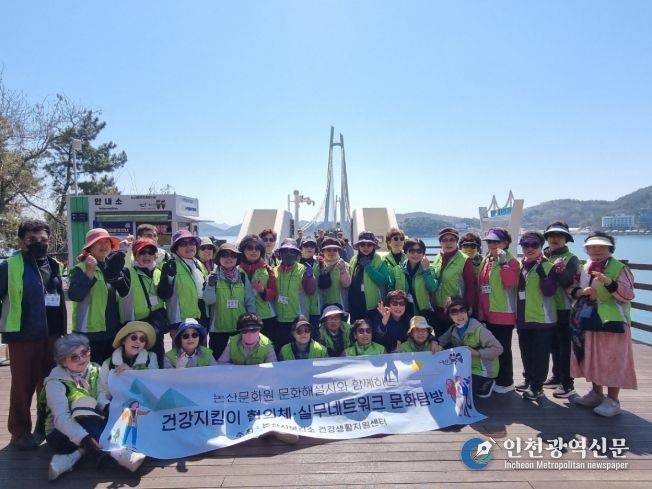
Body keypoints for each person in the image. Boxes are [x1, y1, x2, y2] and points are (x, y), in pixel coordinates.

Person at [0, 219, 67, 450]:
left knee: (49, 383)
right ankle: (19, 431)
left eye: (43, 239)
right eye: (32, 239)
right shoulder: (9, 266)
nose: (38, 243)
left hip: (52, 336)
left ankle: (44, 426)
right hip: (22, 336)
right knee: (22, 385)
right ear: (21, 241)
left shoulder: (54, 264)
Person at [43, 334, 145, 480]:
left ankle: (71, 458)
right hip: (61, 434)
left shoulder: (96, 369)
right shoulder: (55, 382)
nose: (82, 358)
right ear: (63, 362)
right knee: (82, 403)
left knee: (121, 411)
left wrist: (112, 410)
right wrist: (86, 439)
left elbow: (102, 397)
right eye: (74, 357)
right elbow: (61, 419)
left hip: (92, 427)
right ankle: (117, 453)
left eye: (84, 352)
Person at [568, 232, 637, 417]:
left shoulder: (619, 268)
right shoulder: (584, 267)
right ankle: (596, 393)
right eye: (592, 247)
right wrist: (581, 292)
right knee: (592, 356)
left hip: (613, 321)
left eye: (601, 247)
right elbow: (571, 287)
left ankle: (613, 400)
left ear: (610, 248)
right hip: (589, 318)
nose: (596, 250)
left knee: (613, 359)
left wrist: (609, 282)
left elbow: (628, 294)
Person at [68, 228, 124, 364]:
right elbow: (75, 295)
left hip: (111, 331)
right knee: (91, 372)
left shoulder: (112, 267)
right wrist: (89, 273)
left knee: (108, 371)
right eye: (99, 242)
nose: (104, 245)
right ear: (90, 247)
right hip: (89, 334)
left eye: (107, 242)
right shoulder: (81, 268)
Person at [515, 231, 558, 401]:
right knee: (526, 352)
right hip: (523, 318)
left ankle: (537, 387)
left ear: (541, 247)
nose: (530, 248)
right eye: (525, 245)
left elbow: (549, 292)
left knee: (540, 355)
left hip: (542, 319)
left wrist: (543, 275)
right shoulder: (522, 265)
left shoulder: (548, 266)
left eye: (534, 245)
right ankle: (529, 380)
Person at [113, 238, 169, 368]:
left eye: (151, 252)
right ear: (135, 255)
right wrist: (121, 253)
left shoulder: (159, 272)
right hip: (134, 332)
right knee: (135, 366)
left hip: (155, 330)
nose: (147, 255)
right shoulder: (127, 273)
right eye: (142, 252)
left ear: (155, 255)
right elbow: (111, 273)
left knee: (157, 364)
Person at [477, 227, 519, 394]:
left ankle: (506, 381)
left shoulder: (511, 261)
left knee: (502, 349)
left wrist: (503, 263)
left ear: (506, 243)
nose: (493, 245)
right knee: (491, 348)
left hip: (503, 313)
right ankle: (496, 377)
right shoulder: (487, 259)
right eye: (490, 241)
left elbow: (510, 283)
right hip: (488, 313)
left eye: (497, 241)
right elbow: (482, 287)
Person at [542, 221, 580, 398]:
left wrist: (560, 270)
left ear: (566, 239)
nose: (555, 238)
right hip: (546, 308)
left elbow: (568, 283)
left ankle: (567, 384)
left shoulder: (571, 258)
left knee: (565, 347)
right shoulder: (543, 256)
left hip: (564, 308)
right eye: (551, 235)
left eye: (559, 235)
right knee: (552, 345)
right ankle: (557, 376)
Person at [437, 297, 503, 398]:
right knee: (445, 386)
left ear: (468, 311)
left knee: (459, 392)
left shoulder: (479, 330)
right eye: (454, 312)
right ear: (449, 315)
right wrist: (434, 342)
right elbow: (440, 341)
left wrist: (477, 353)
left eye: (462, 310)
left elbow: (498, 349)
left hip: (482, 370)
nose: (459, 315)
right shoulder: (453, 328)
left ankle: (487, 381)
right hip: (464, 368)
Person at [203, 243, 257, 359]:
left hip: (240, 328)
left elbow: (250, 300)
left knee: (239, 359)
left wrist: (252, 320)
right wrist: (210, 285)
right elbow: (208, 301)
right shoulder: (213, 276)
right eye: (225, 255)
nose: (229, 258)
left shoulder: (242, 276)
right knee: (218, 360)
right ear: (219, 258)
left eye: (233, 256)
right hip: (218, 329)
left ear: (237, 259)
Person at [97, 321, 158, 412]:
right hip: (116, 409)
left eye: (142, 339)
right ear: (123, 340)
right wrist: (109, 407)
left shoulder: (151, 358)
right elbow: (102, 391)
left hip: (145, 407)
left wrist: (130, 373)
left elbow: (154, 386)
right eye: (134, 337)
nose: (138, 341)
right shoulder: (108, 363)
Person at [157, 230, 208, 334]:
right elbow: (163, 294)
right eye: (183, 244)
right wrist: (169, 277)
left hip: (201, 316)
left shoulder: (199, 264)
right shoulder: (171, 265)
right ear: (176, 249)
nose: (189, 246)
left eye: (191, 243)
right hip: (180, 320)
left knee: (201, 345)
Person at [273, 239, 317, 352]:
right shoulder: (274, 271)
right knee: (282, 350)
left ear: (297, 254)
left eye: (292, 251)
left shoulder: (304, 270)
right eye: (285, 251)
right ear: (280, 254)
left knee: (299, 351)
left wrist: (309, 278)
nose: (288, 254)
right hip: (279, 318)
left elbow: (311, 291)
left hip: (298, 319)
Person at [432, 227, 477, 336]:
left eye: (452, 239)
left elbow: (471, 286)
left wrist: (467, 308)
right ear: (440, 243)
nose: (448, 243)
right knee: (440, 341)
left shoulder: (464, 260)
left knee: (456, 341)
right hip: (439, 308)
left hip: (456, 310)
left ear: (457, 242)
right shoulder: (438, 257)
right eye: (445, 240)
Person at [391, 238, 438, 324]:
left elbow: (433, 288)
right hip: (401, 313)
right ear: (406, 252)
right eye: (412, 251)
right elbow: (390, 290)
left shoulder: (429, 269)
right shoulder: (397, 270)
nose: (415, 254)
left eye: (419, 251)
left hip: (421, 313)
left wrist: (426, 271)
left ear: (423, 253)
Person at [348, 231, 391, 323]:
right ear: (358, 246)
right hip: (354, 306)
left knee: (373, 330)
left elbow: (384, 280)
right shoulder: (353, 259)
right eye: (362, 244)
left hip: (373, 307)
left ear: (374, 246)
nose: (366, 247)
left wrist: (368, 267)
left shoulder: (379, 260)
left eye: (369, 245)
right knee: (355, 330)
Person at [318, 237, 351, 317]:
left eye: (335, 250)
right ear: (323, 251)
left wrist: (343, 270)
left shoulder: (346, 265)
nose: (332, 252)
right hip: (322, 307)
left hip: (341, 308)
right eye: (328, 250)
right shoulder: (317, 266)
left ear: (339, 251)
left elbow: (347, 285)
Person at [299, 236, 324, 334]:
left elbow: (325, 284)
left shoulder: (320, 263)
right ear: (301, 248)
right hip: (299, 307)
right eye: (306, 246)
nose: (309, 248)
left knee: (314, 334)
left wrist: (324, 272)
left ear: (315, 249)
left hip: (316, 307)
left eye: (312, 246)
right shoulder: (294, 263)